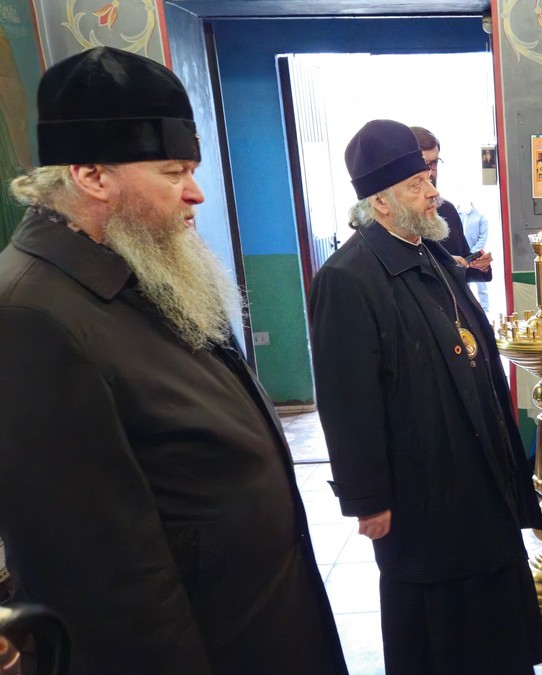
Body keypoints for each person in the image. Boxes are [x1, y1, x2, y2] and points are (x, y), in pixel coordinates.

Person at [0, 47, 346, 674]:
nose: (196, 192)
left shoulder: (147, 267)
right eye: (172, 171)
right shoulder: (30, 315)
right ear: (91, 175)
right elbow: (95, 583)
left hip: (263, 627)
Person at [309, 119, 542, 673]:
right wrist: (368, 499)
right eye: (416, 184)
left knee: (495, 619)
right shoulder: (347, 279)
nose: (432, 191)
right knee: (441, 632)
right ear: (381, 202)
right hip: (424, 493)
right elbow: (346, 402)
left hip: (477, 477)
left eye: (429, 177)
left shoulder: (433, 254)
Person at [410, 126, 493, 305]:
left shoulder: (447, 209)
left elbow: (462, 260)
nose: (430, 173)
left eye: (434, 163)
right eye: (424, 165)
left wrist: (479, 264)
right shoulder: (397, 219)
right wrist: (442, 266)